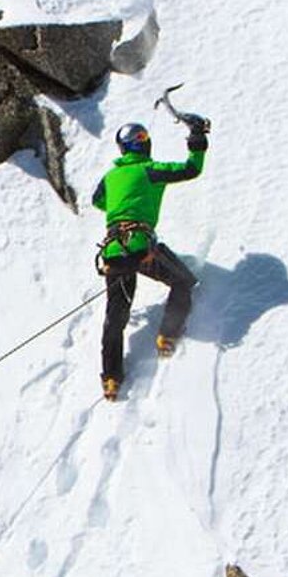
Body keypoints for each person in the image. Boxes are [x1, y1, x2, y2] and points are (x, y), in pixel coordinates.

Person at [92, 121, 208, 401]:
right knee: (183, 281)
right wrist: (197, 138)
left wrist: (124, 201)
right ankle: (167, 335)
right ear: (144, 144)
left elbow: (98, 201)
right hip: (142, 247)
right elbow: (192, 168)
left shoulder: (111, 176)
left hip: (113, 251)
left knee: (115, 316)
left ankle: (110, 378)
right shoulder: (151, 170)